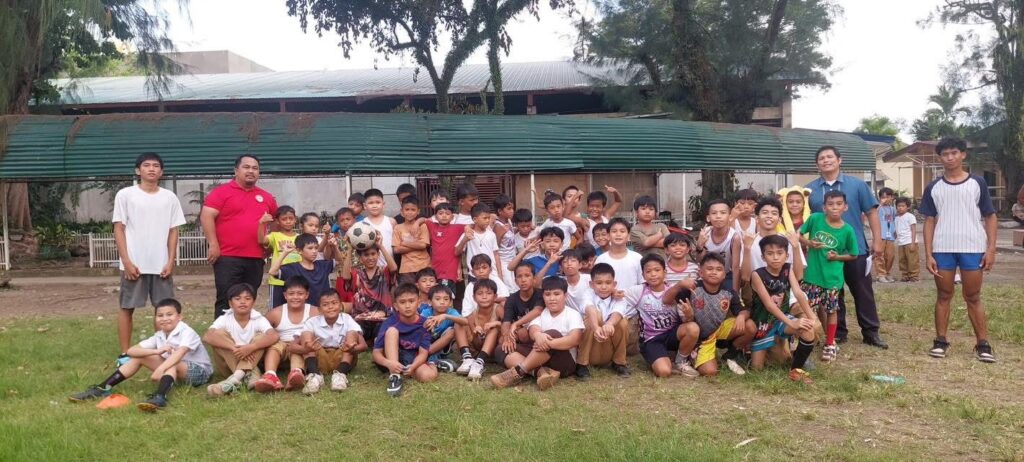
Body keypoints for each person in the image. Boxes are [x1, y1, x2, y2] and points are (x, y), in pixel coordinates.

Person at [920, 137, 998, 363]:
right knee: (944, 295)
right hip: (942, 247)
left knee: (972, 296)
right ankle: (940, 341)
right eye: (945, 154)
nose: (950, 157)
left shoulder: (977, 183)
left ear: (963, 154)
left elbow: (990, 216)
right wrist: (929, 254)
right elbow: (929, 221)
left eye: (954, 153)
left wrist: (991, 249)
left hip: (973, 247)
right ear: (940, 157)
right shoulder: (933, 187)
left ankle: (983, 344)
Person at [806, 145, 888, 349]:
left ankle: (871, 332)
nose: (826, 160)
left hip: (855, 249)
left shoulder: (857, 185)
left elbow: (871, 212)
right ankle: (838, 332)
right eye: (821, 158)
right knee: (833, 292)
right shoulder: (810, 190)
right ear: (817, 164)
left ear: (839, 160)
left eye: (830, 157)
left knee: (862, 291)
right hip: (824, 253)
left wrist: (878, 241)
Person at [111, 152, 186, 366]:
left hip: (161, 265)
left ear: (161, 172)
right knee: (127, 307)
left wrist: (170, 261)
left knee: (163, 311)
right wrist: (126, 261)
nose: (151, 169)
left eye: (155, 166)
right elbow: (119, 228)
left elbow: (173, 231)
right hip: (134, 264)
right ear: (138, 170)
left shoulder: (169, 198)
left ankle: (161, 352)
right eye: (146, 165)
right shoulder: (126, 195)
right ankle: (125, 354)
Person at [70, 298, 211, 412]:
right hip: (177, 370)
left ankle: (160, 397)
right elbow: (131, 351)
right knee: (139, 357)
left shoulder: (187, 331)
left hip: (200, 372)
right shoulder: (160, 335)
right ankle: (102, 388)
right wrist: (156, 351)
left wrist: (160, 369)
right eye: (160, 315)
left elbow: (179, 354)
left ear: (179, 317)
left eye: (169, 314)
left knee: (172, 363)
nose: (164, 318)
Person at [201, 154, 278, 319]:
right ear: (236, 170)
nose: (251, 171)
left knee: (248, 298)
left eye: (255, 168)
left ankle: (245, 331)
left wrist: (271, 244)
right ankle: (222, 333)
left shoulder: (266, 197)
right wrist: (213, 244)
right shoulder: (221, 193)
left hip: (255, 258)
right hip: (227, 257)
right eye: (246, 167)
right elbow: (207, 216)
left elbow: (276, 222)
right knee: (226, 298)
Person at [662, 253, 754, 376]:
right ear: (701, 272)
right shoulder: (692, 288)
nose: (714, 272)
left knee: (750, 326)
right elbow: (666, 300)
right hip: (696, 336)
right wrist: (679, 285)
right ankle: (690, 355)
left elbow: (744, 310)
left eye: (719, 269)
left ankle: (729, 356)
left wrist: (741, 316)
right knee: (709, 371)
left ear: (724, 274)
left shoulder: (728, 291)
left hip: (717, 331)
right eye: (709, 269)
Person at [491, 277, 584, 391]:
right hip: (539, 357)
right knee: (503, 348)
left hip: (564, 363)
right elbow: (533, 329)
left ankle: (519, 371)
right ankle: (540, 372)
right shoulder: (542, 313)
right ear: (543, 296)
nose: (552, 298)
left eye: (556, 294)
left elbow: (574, 339)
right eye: (547, 294)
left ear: (565, 296)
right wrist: (538, 336)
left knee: (552, 333)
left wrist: (548, 343)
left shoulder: (573, 314)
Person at [748, 235, 818, 383]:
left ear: (786, 255)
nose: (775, 257)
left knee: (808, 330)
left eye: (779, 253)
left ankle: (796, 370)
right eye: (770, 253)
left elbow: (798, 292)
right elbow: (769, 305)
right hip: (763, 324)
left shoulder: (787, 268)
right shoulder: (757, 274)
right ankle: (747, 352)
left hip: (781, 319)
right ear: (763, 257)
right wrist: (792, 322)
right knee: (756, 369)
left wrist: (811, 316)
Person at [798, 191, 858, 362]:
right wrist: (809, 243)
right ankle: (805, 341)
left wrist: (837, 257)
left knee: (831, 310)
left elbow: (853, 254)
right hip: (811, 276)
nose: (834, 208)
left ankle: (830, 342)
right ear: (824, 207)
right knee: (807, 309)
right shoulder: (815, 219)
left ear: (845, 207)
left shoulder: (847, 230)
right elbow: (798, 235)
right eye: (830, 204)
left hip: (832, 279)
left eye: (839, 204)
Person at [620, 254, 691, 378]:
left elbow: (687, 320)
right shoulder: (638, 291)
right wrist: (613, 293)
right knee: (664, 372)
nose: (653, 274)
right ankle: (660, 359)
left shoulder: (674, 291)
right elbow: (619, 295)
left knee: (692, 328)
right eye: (648, 271)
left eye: (657, 270)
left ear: (665, 272)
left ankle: (681, 361)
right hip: (651, 339)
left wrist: (689, 314)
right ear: (643, 275)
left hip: (672, 335)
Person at [204, 283, 280, 397]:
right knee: (218, 334)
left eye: (247, 298)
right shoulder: (224, 318)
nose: (243, 302)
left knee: (261, 338)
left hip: (253, 361)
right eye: (237, 298)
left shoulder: (258, 318)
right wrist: (234, 348)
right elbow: (207, 336)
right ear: (230, 303)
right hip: (230, 365)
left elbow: (274, 336)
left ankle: (234, 380)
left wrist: (251, 348)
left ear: (253, 302)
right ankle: (248, 376)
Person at [253, 276, 320, 393]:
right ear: (285, 295)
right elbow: (261, 330)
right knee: (276, 345)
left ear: (307, 295)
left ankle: (296, 373)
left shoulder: (315, 311)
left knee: (300, 346)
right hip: (280, 351)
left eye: (300, 294)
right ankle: (270, 375)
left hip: (302, 349)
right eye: (291, 294)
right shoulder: (275, 313)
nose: (295, 297)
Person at [372, 283, 438, 397]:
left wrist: (413, 366)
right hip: (391, 357)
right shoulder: (389, 322)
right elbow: (376, 353)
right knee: (392, 331)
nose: (407, 306)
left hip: (412, 358)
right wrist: (389, 363)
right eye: (402, 302)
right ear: (396, 306)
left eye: (411, 301)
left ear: (418, 302)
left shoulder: (425, 323)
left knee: (428, 376)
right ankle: (395, 376)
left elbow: (423, 353)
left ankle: (434, 363)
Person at [297, 290, 367, 394]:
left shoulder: (347, 319)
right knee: (306, 335)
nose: (330, 307)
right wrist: (306, 348)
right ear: (319, 309)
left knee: (352, 333)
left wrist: (352, 349)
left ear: (340, 306)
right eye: (325, 305)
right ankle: (315, 376)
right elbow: (292, 346)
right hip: (320, 359)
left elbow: (364, 346)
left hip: (342, 357)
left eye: (334, 303)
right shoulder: (312, 322)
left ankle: (340, 375)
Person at [576, 263, 631, 378]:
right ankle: (582, 364)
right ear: (591, 284)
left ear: (614, 284)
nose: (604, 287)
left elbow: (618, 312)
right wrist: (596, 327)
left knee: (622, 322)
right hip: (591, 348)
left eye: (608, 283)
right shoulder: (587, 294)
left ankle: (619, 362)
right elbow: (589, 308)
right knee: (594, 316)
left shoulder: (619, 297)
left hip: (608, 348)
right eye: (599, 283)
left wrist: (610, 324)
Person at [342, 239, 399, 342]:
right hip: (361, 319)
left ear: (378, 255)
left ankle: (377, 341)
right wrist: (350, 250)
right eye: (366, 255)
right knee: (352, 334)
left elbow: (394, 268)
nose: (370, 258)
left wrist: (381, 246)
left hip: (382, 318)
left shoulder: (384, 271)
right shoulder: (357, 274)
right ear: (360, 258)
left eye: (373, 254)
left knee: (384, 333)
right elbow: (345, 276)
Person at [268, 233, 342, 307]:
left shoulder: (322, 265)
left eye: (316, 248)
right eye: (310, 248)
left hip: (323, 309)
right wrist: (285, 253)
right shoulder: (292, 268)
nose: (314, 251)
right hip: (303, 311)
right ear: (299, 251)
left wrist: (335, 247)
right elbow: (272, 272)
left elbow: (339, 261)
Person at [498, 263, 545, 366]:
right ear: (515, 281)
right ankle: (526, 361)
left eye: (527, 276)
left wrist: (516, 324)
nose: (523, 280)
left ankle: (524, 359)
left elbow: (538, 310)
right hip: (520, 336)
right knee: (502, 342)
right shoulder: (512, 299)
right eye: (519, 277)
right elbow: (506, 322)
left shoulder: (541, 294)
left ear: (534, 278)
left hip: (538, 334)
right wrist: (506, 338)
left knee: (523, 333)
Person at [457, 279, 502, 380]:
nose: (484, 297)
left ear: (495, 296)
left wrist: (496, 323)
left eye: (489, 293)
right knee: (459, 323)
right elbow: (473, 337)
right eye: (480, 293)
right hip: (478, 348)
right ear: (474, 297)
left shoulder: (498, 309)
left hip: (495, 350)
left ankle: (479, 363)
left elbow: (510, 325)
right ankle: (467, 358)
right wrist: (475, 331)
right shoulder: (473, 314)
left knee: (494, 329)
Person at [419, 285, 469, 373]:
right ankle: (434, 361)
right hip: (426, 343)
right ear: (430, 302)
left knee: (452, 331)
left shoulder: (451, 312)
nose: (442, 302)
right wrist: (426, 324)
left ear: (450, 302)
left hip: (441, 347)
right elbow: (417, 327)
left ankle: (427, 357)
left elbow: (465, 321)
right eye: (438, 299)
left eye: (446, 299)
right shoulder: (426, 312)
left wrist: (445, 316)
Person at [696, 200, 742, 291]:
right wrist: (699, 246)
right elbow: (699, 260)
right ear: (708, 218)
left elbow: (735, 267)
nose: (718, 216)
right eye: (714, 213)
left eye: (723, 213)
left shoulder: (734, 237)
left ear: (730, 217)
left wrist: (735, 291)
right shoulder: (705, 233)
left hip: (726, 275)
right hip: (707, 275)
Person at [259, 206, 299, 308]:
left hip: (296, 280)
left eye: (291, 218)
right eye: (284, 219)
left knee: (295, 308)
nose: (288, 221)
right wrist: (262, 223)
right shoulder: (274, 236)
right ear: (277, 221)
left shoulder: (300, 238)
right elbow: (261, 241)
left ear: (295, 219)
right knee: (276, 309)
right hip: (277, 281)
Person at [457, 203, 504, 283]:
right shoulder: (468, 233)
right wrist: (465, 240)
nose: (487, 221)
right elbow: (457, 252)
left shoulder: (491, 234)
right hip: (474, 275)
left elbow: (496, 254)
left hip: (491, 274)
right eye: (485, 218)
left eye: (488, 218)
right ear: (475, 219)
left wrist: (500, 274)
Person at [594, 218, 644, 289]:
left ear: (628, 236)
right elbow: (597, 285)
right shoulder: (601, 260)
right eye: (614, 231)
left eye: (622, 231)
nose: (618, 234)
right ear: (608, 235)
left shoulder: (637, 258)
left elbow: (643, 284)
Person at [424, 203, 462, 293]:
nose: (444, 216)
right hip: (434, 271)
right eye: (440, 213)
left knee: (445, 295)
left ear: (452, 217)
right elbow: (423, 219)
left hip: (448, 272)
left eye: (447, 213)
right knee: (434, 295)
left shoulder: (457, 228)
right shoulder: (432, 226)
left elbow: (473, 225)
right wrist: (417, 223)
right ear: (435, 216)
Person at [392, 195, 431, 284]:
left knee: (426, 291)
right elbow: (396, 250)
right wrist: (416, 245)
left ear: (418, 211)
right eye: (407, 209)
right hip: (406, 268)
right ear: (402, 211)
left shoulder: (422, 226)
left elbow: (423, 245)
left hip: (424, 266)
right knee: (408, 291)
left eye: (413, 210)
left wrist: (404, 243)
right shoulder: (398, 228)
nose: (410, 212)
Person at [363, 188, 397, 268]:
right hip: (370, 268)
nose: (374, 206)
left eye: (378, 202)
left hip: (389, 266)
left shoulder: (391, 221)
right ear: (365, 206)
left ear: (383, 204)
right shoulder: (362, 224)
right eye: (371, 203)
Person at [492, 194, 519, 290]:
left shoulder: (509, 221)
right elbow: (495, 246)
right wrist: (502, 233)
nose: (512, 211)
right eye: (509, 209)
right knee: (510, 289)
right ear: (500, 211)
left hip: (513, 260)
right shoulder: (498, 226)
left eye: (512, 208)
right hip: (504, 263)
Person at [894, 197, 920, 282]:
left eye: (903, 206)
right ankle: (905, 275)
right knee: (902, 260)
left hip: (909, 241)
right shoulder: (896, 218)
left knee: (912, 260)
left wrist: (913, 243)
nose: (900, 208)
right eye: (898, 206)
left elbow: (913, 230)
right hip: (901, 243)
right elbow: (896, 230)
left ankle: (914, 276)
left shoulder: (910, 216)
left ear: (908, 207)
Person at [876, 187, 898, 283]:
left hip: (890, 235)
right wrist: (880, 204)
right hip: (880, 234)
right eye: (883, 197)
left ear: (892, 197)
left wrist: (895, 230)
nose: (886, 199)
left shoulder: (892, 209)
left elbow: (895, 220)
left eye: (888, 197)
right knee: (879, 255)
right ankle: (881, 274)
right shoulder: (878, 208)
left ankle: (887, 273)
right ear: (880, 198)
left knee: (890, 255)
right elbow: (873, 214)